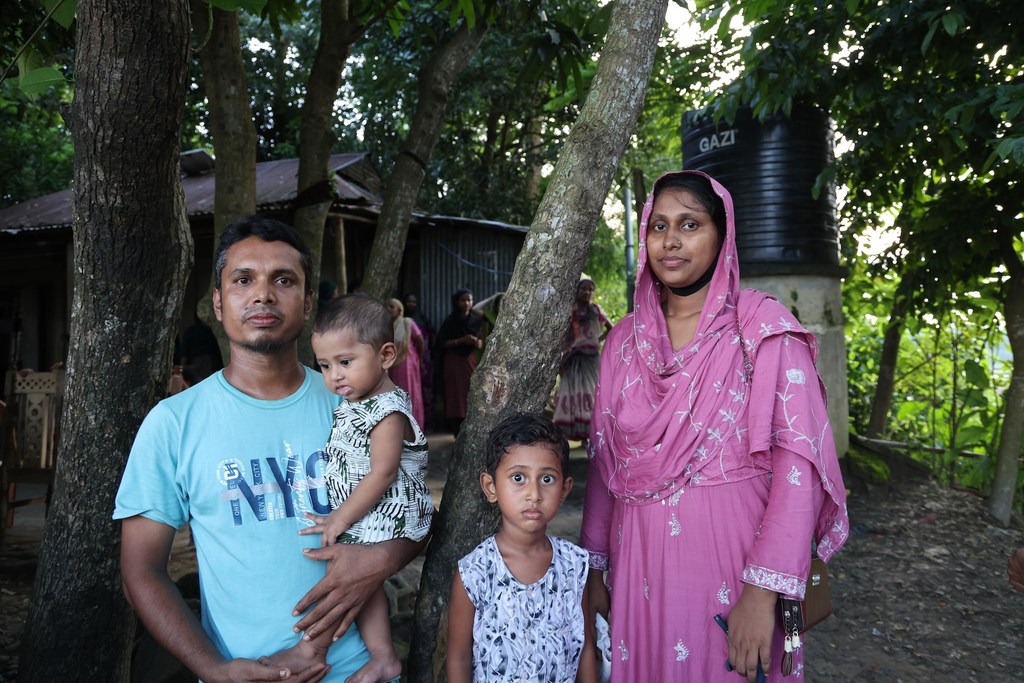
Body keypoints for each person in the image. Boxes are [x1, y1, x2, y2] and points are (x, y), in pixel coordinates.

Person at [115, 216, 426, 682]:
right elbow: (141, 571)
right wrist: (212, 669)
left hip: (360, 671)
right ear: (218, 303)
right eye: (243, 280)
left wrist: (382, 558)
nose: (262, 294)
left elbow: (418, 512)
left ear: (306, 303)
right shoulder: (173, 423)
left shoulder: (359, 404)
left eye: (283, 279)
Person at [580, 171, 849, 682]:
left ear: (722, 237)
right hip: (640, 568)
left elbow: (799, 472)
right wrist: (595, 570)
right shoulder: (623, 343)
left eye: (690, 224)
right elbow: (603, 462)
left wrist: (760, 592)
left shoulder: (764, 331)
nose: (671, 241)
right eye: (658, 226)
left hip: (735, 570)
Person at [446, 413, 598, 683]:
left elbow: (584, 646)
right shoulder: (475, 572)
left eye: (547, 479)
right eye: (518, 478)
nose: (534, 494)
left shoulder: (575, 566)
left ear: (564, 490)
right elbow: (459, 657)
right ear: (491, 487)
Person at [552, 279, 612, 445]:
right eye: (583, 289)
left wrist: (595, 340)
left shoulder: (595, 310)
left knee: (591, 396)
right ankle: (565, 436)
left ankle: (589, 436)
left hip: (591, 359)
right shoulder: (569, 311)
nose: (587, 293)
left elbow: (611, 328)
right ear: (576, 291)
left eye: (590, 289)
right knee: (569, 395)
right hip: (572, 359)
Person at [435, 289, 482, 434]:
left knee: (470, 390)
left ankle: (470, 423)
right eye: (463, 300)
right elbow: (441, 343)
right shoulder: (450, 321)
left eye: (470, 300)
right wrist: (461, 340)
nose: (467, 303)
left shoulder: (476, 320)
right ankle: (455, 427)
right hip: (454, 361)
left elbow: (481, 342)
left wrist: (476, 342)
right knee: (455, 393)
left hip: (469, 360)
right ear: (457, 302)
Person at [387, 298, 426, 428]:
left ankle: (414, 426)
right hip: (392, 366)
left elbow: (420, 340)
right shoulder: (386, 326)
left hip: (407, 363)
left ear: (399, 310)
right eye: (387, 306)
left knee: (410, 392)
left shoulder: (407, 323)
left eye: (392, 307)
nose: (388, 309)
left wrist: (419, 359)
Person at [402, 293, 435, 431]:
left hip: (422, 360)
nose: (411, 304)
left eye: (414, 301)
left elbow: (424, 340)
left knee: (424, 391)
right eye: (408, 301)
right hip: (406, 363)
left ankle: (426, 423)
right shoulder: (400, 322)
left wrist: (421, 358)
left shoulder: (421, 319)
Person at [179, 311, 224, 386]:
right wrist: (181, 370)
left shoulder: (211, 332)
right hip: (196, 366)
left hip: (210, 366)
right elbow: (184, 352)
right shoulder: (191, 331)